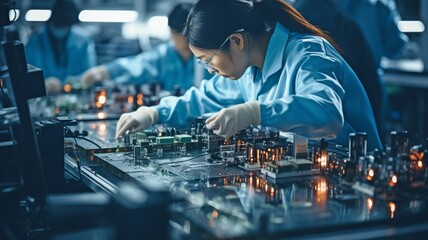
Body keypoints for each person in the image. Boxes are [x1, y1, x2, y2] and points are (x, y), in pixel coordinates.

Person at [116, 0, 382, 150]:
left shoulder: (309, 54)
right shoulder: (248, 72)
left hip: (356, 174)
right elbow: (203, 98)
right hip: (306, 170)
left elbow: (327, 115)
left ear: (236, 42)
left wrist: (256, 111)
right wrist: (153, 113)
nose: (210, 71)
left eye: (208, 61)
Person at [293, 0, 384, 137]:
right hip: (353, 133)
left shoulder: (289, 29)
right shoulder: (349, 28)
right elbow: (371, 88)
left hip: (303, 136)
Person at [81, 3, 210, 92]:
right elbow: (138, 65)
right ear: (171, 32)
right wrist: (106, 71)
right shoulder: (164, 56)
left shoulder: (210, 57)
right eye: (179, 34)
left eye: (188, 35)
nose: (184, 41)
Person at [25, 0, 96, 95]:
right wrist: (42, 84)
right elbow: (25, 75)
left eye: (66, 25)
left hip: (74, 96)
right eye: (60, 25)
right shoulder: (35, 42)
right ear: (53, 20)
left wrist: (75, 81)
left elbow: (89, 73)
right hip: (43, 98)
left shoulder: (83, 40)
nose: (63, 28)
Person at [336, 0, 408, 67]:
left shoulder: (328, 5)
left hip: (333, 75)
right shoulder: (379, 5)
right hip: (367, 75)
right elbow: (394, 47)